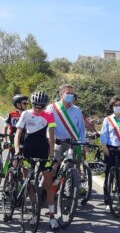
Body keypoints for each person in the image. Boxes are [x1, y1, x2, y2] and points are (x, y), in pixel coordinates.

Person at [13, 91, 59, 229]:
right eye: (36, 106)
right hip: (27, 151)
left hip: (43, 151)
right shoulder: (25, 114)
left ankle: (51, 216)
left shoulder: (49, 115)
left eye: (41, 106)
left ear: (45, 105)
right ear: (32, 104)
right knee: (28, 182)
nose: (38, 109)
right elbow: (18, 134)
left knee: (49, 184)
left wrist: (51, 154)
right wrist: (16, 150)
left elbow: (51, 137)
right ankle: (34, 211)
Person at [46, 84, 86, 165]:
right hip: (58, 142)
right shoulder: (51, 108)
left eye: (72, 93)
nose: (70, 95)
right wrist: (49, 137)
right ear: (61, 94)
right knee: (53, 166)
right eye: (68, 93)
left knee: (76, 166)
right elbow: (47, 127)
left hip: (73, 142)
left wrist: (83, 143)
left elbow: (81, 128)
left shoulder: (77, 110)